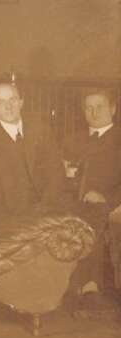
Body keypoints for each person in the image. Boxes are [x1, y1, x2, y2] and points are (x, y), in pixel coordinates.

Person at [0, 83, 65, 224]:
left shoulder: (41, 130)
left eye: (13, 100)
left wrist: (46, 211)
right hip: (10, 221)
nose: (8, 106)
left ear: (21, 102)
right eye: (1, 102)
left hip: (47, 214)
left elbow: (56, 173)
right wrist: (12, 225)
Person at [63, 91, 121, 307]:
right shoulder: (72, 140)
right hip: (73, 200)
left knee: (91, 216)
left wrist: (107, 198)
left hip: (111, 202)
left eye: (100, 107)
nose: (94, 112)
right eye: (89, 108)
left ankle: (89, 284)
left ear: (113, 109)